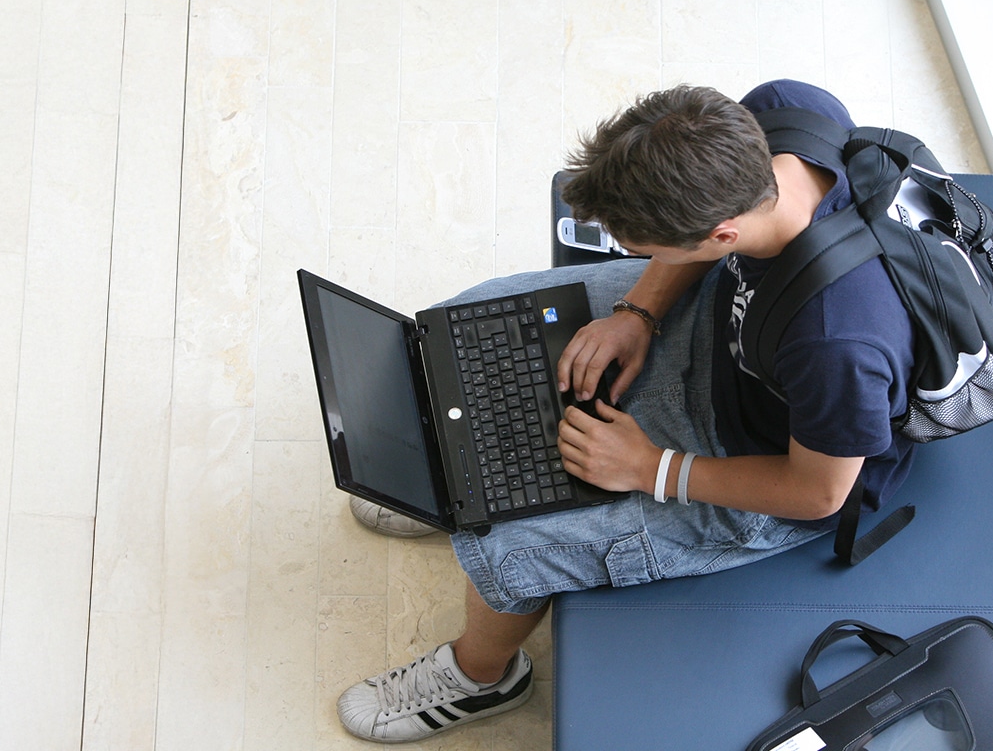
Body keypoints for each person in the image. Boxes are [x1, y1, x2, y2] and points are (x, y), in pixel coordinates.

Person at [336, 80, 916, 743]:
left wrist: (652, 468)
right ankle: (451, 484)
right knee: (469, 320)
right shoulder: (784, 112)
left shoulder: (838, 340)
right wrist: (638, 312)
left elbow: (818, 492)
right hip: (722, 329)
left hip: (767, 460)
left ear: (720, 235)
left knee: (505, 553)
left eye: (641, 247)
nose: (630, 252)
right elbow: (699, 241)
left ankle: (481, 677)